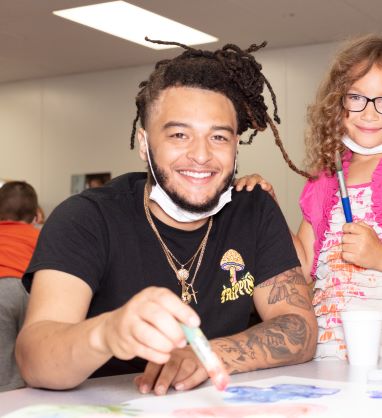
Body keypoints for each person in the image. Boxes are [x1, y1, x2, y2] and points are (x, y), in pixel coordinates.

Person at [15, 39, 317, 394]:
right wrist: (107, 333)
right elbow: (34, 360)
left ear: (236, 145)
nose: (201, 155)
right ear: (144, 144)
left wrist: (206, 355)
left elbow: (300, 327)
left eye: (218, 137)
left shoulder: (254, 208)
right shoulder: (86, 217)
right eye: (178, 134)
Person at [236, 34, 382, 361]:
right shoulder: (322, 179)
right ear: (338, 102)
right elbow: (301, 269)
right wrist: (268, 207)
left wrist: (379, 256)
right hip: (327, 349)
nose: (370, 113)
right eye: (356, 97)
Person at [0, 181, 40, 391]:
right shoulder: (41, 235)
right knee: (32, 350)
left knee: (3, 361)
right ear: (35, 217)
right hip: (30, 290)